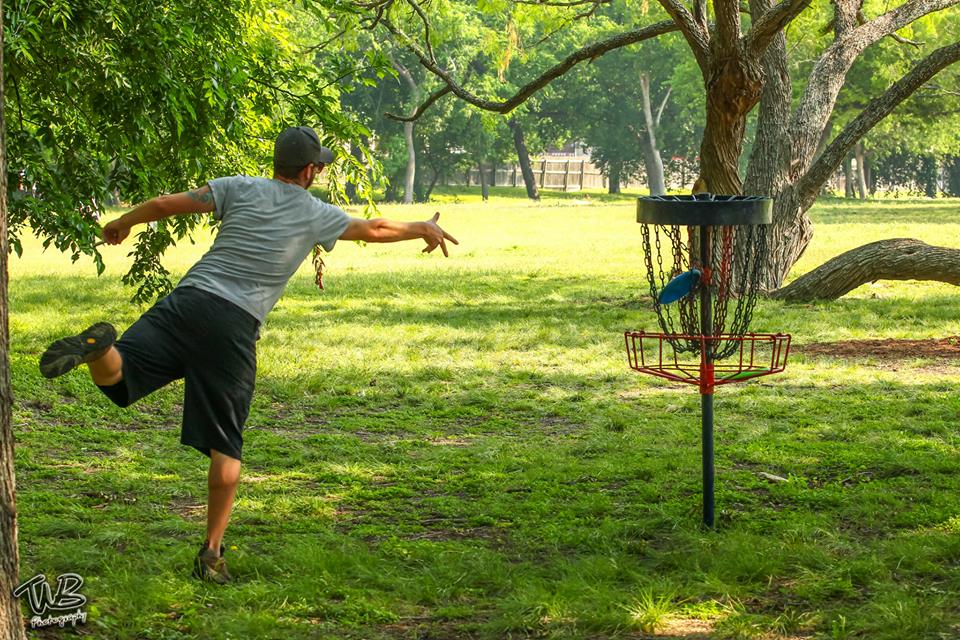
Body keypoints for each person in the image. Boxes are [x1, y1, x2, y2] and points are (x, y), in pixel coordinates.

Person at [38, 126, 458, 584]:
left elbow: (163, 205)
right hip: (232, 326)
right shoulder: (316, 212)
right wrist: (421, 226)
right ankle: (212, 553)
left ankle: (98, 346)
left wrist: (124, 222)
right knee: (226, 445)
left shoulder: (238, 187)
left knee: (119, 381)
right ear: (310, 170)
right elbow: (373, 228)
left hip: (187, 301)